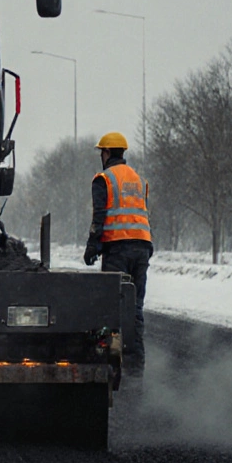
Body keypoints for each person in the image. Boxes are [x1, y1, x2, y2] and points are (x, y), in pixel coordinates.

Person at [83, 131, 151, 375]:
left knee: (111, 307)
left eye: (102, 151)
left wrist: (93, 246)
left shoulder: (104, 179)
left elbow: (99, 216)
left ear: (107, 153)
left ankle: (111, 367)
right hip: (142, 247)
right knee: (135, 308)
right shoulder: (138, 179)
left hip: (118, 249)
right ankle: (135, 368)